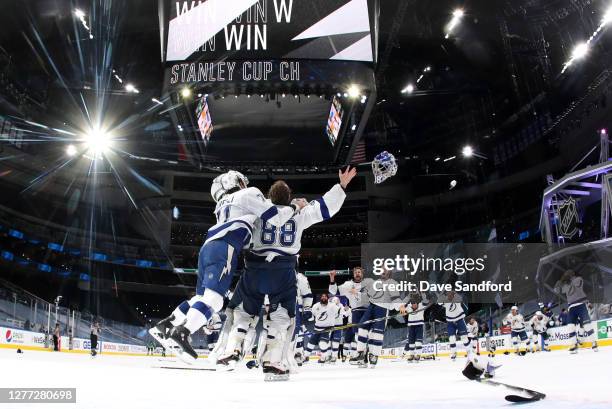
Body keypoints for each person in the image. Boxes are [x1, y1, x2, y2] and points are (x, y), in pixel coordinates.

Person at [150, 170, 305, 362]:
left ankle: (166, 324)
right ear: (235, 182)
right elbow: (276, 217)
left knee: (202, 297)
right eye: (241, 181)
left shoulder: (221, 203)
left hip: (208, 246)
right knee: (215, 300)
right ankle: (182, 332)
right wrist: (294, 206)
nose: (244, 184)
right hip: (226, 246)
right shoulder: (248, 193)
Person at [216, 167, 356, 378]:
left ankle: (232, 349)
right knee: (281, 318)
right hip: (283, 272)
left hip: (254, 268)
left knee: (242, 312)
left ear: (268, 197)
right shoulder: (298, 213)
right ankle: (273, 361)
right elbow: (326, 208)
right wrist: (342, 185)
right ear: (289, 197)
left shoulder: (257, 210)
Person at [350, 269, 402, 368]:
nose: (383, 271)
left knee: (377, 334)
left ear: (389, 273)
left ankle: (374, 355)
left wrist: (400, 306)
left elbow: (396, 297)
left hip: (383, 308)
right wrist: (357, 293)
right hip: (372, 306)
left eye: (385, 270)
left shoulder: (392, 283)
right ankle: (360, 354)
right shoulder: (376, 282)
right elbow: (368, 296)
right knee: (362, 327)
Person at [329, 267, 369, 359]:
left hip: (368, 311)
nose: (357, 274)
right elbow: (333, 291)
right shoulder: (348, 285)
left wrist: (357, 293)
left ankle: (368, 353)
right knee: (357, 335)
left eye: (359, 272)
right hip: (355, 311)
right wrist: (332, 278)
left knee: (368, 333)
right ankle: (361, 354)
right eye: (356, 272)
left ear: (362, 274)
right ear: (353, 274)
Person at [554, 270, 598, 353]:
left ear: (572, 274)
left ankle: (594, 343)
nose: (566, 275)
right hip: (571, 307)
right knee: (570, 326)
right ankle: (574, 345)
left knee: (587, 325)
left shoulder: (578, 279)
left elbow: (575, 284)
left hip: (581, 304)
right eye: (565, 274)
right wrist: (558, 283)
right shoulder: (566, 284)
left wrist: (567, 281)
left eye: (568, 274)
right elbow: (557, 291)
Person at [304, 293, 339, 364]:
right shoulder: (316, 306)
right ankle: (305, 357)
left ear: (327, 298)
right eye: (322, 296)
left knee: (323, 343)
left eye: (325, 296)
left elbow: (337, 314)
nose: (323, 297)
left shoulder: (332, 305)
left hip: (327, 329)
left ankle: (323, 358)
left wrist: (337, 304)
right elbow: (312, 316)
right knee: (311, 343)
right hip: (317, 329)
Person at [443, 291, 470, 360]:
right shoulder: (444, 299)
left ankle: (469, 352)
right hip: (450, 321)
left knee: (464, 337)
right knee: (451, 338)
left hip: (459, 319)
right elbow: (439, 302)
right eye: (448, 293)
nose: (449, 295)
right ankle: (453, 353)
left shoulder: (457, 298)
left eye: (451, 293)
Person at [294, 271, 313, 366]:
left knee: (297, 330)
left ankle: (298, 353)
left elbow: (307, 294)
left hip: (295, 305)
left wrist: (307, 308)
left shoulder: (299, 277)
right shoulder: (274, 273)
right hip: (278, 305)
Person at [400, 297, 428, 362]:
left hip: (419, 326)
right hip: (411, 327)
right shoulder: (408, 306)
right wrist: (402, 309)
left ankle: (418, 355)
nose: (414, 305)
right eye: (412, 304)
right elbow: (402, 308)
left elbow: (426, 301)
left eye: (415, 303)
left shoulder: (421, 305)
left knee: (418, 342)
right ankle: (411, 355)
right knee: (411, 342)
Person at [330, 297, 350, 363]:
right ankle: (328, 355)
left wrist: (346, 310)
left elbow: (344, 315)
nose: (338, 301)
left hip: (338, 325)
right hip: (330, 325)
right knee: (328, 341)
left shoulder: (341, 305)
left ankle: (334, 357)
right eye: (337, 300)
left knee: (336, 341)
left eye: (338, 300)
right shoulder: (330, 306)